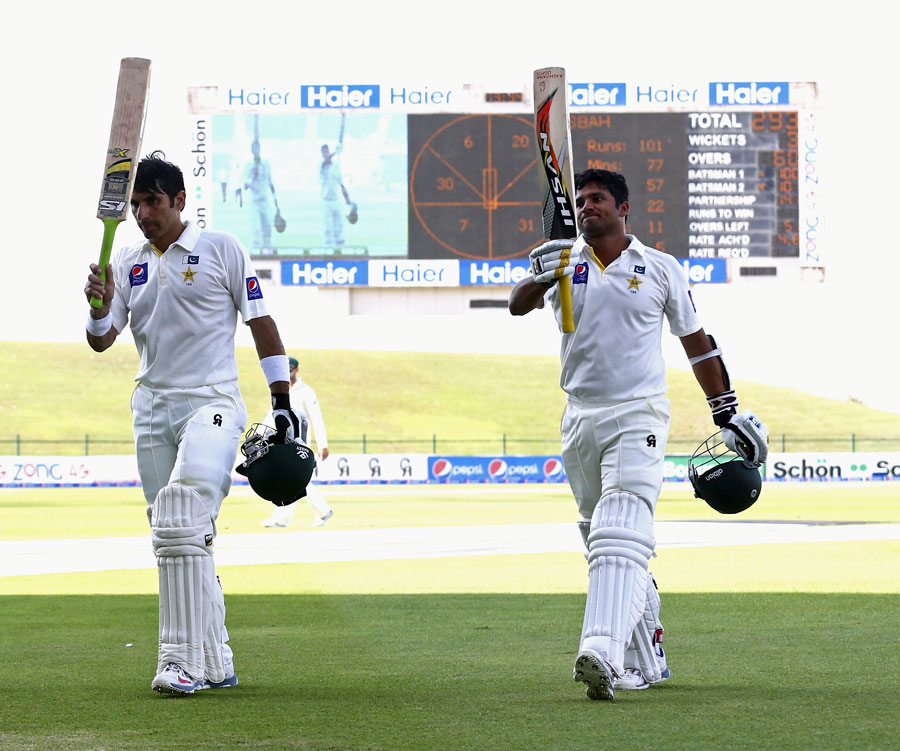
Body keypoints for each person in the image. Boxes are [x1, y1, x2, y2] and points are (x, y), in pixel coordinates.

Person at [508, 168, 768, 701]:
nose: (586, 206)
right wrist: (539, 276)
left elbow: (698, 343)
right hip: (579, 415)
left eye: (597, 198)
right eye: (579, 200)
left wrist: (726, 413)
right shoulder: (563, 261)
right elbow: (516, 305)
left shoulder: (660, 268)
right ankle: (643, 659)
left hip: (638, 412)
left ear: (623, 208)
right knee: (598, 538)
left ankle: (600, 649)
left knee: (619, 526)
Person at [84, 151, 302, 696]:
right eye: (135, 203)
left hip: (213, 400)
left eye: (152, 201)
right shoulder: (128, 261)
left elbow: (261, 320)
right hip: (151, 406)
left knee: (182, 514)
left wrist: (281, 401)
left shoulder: (220, 248)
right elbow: (101, 339)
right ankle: (215, 655)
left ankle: (178, 661)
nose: (141, 212)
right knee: (176, 536)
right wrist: (98, 304)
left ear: (180, 201)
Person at [260, 356, 334, 528]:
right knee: (296, 480)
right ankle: (324, 511)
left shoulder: (307, 392)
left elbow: (317, 418)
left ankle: (282, 519)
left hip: (299, 442)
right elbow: (273, 414)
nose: (288, 372)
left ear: (296, 370)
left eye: (290, 369)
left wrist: (323, 444)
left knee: (293, 479)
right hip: (281, 441)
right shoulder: (280, 390)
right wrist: (260, 433)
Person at [320, 112, 354, 249]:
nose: (326, 154)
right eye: (324, 152)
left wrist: (348, 201)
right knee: (328, 228)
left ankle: (340, 248)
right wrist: (336, 150)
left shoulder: (336, 167)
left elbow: (341, 184)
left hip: (336, 201)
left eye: (327, 151)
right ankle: (328, 249)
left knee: (339, 226)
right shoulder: (321, 166)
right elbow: (326, 162)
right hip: (326, 202)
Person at [242, 139, 277, 252]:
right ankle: (256, 252)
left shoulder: (266, 164)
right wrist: (253, 175)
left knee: (267, 227)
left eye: (258, 148)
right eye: (254, 148)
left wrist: (276, 201)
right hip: (254, 202)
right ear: (251, 150)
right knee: (256, 228)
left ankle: (268, 251)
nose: (256, 150)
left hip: (265, 200)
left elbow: (270, 181)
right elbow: (246, 185)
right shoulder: (248, 166)